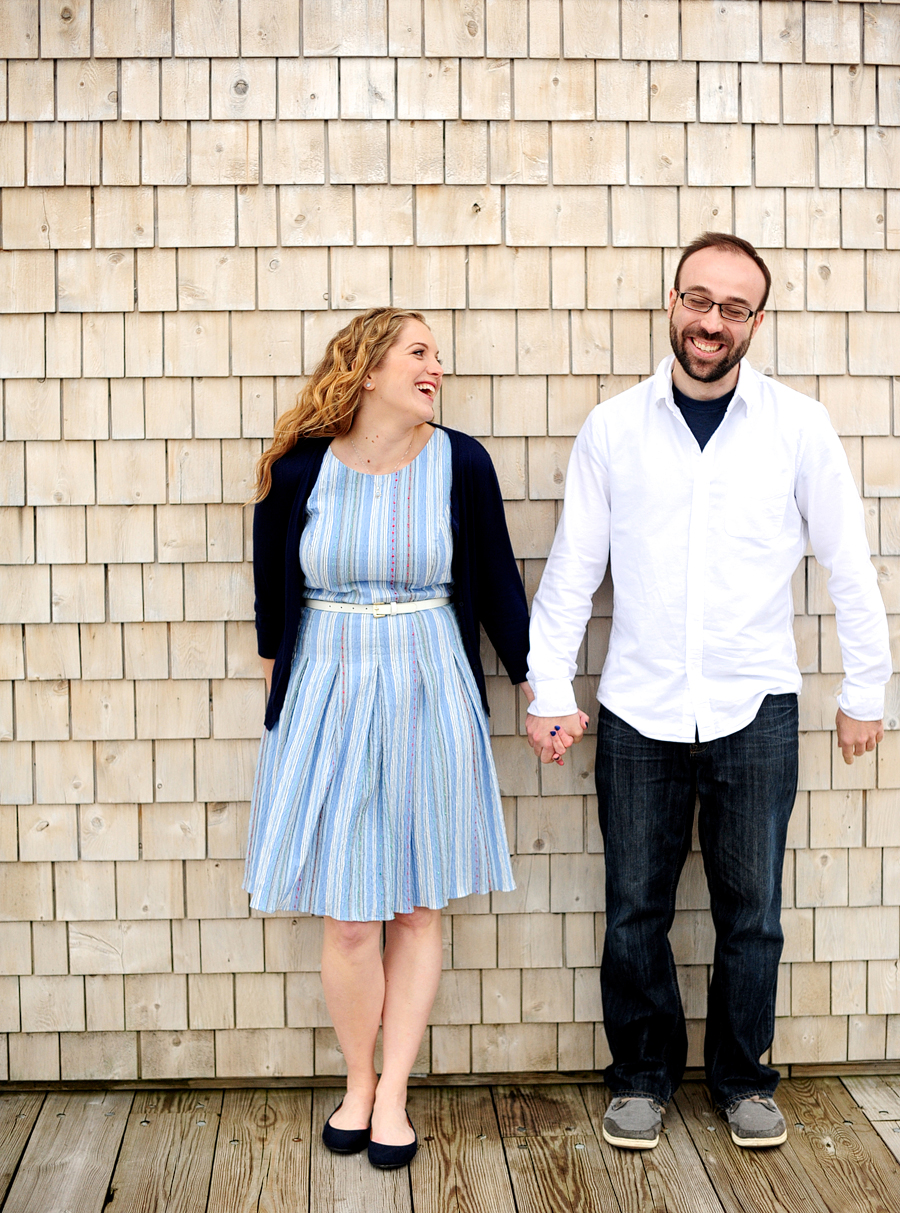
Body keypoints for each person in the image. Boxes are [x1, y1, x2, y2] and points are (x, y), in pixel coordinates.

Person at [525, 233, 891, 1150]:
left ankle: (741, 1079)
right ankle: (642, 1076)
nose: (712, 321)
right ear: (674, 302)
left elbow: (850, 566)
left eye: (734, 307)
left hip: (755, 706)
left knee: (752, 912)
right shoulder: (614, 427)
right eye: (699, 300)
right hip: (639, 709)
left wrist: (866, 688)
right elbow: (573, 574)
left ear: (755, 322)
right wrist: (546, 689)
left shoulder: (798, 427)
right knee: (635, 908)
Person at [245, 307, 532, 1169]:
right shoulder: (298, 469)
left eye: (436, 355)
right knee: (346, 917)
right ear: (367, 370)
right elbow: (271, 608)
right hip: (328, 692)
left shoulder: (460, 462)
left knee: (414, 904)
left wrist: (536, 690)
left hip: (426, 687)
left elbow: (498, 591)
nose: (434, 367)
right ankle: (357, 1080)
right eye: (418, 353)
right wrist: (287, 717)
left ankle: (396, 1092)